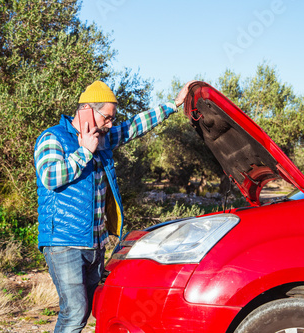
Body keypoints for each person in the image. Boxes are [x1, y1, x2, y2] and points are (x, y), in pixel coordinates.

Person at [34, 80, 193, 333]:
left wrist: (173, 105)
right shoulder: (53, 138)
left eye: (111, 119)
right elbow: (51, 177)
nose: (110, 124)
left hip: (95, 243)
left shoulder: (103, 138)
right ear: (86, 109)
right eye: (106, 117)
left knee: (85, 311)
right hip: (63, 243)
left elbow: (133, 127)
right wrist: (84, 151)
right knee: (74, 312)